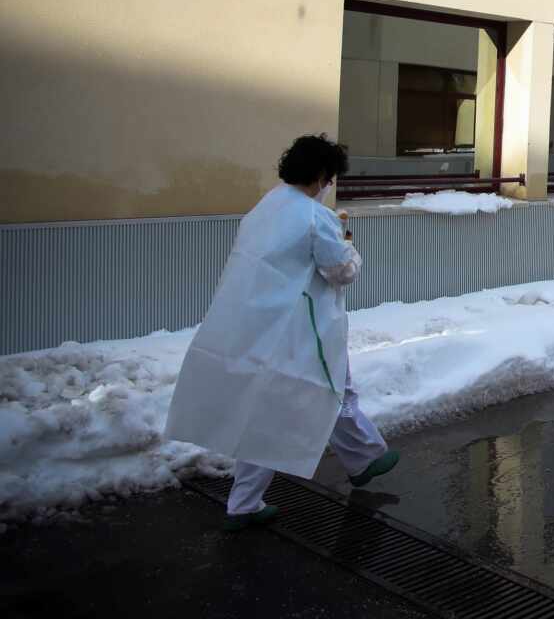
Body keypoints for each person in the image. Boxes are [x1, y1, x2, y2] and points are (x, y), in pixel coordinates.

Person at [165, 134, 399, 531]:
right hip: (300, 330)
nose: (328, 187)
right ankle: (357, 459)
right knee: (303, 399)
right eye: (329, 179)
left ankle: (362, 457)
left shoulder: (265, 206)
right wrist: (351, 246)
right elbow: (341, 270)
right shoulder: (314, 216)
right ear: (323, 175)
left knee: (306, 397)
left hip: (253, 323)